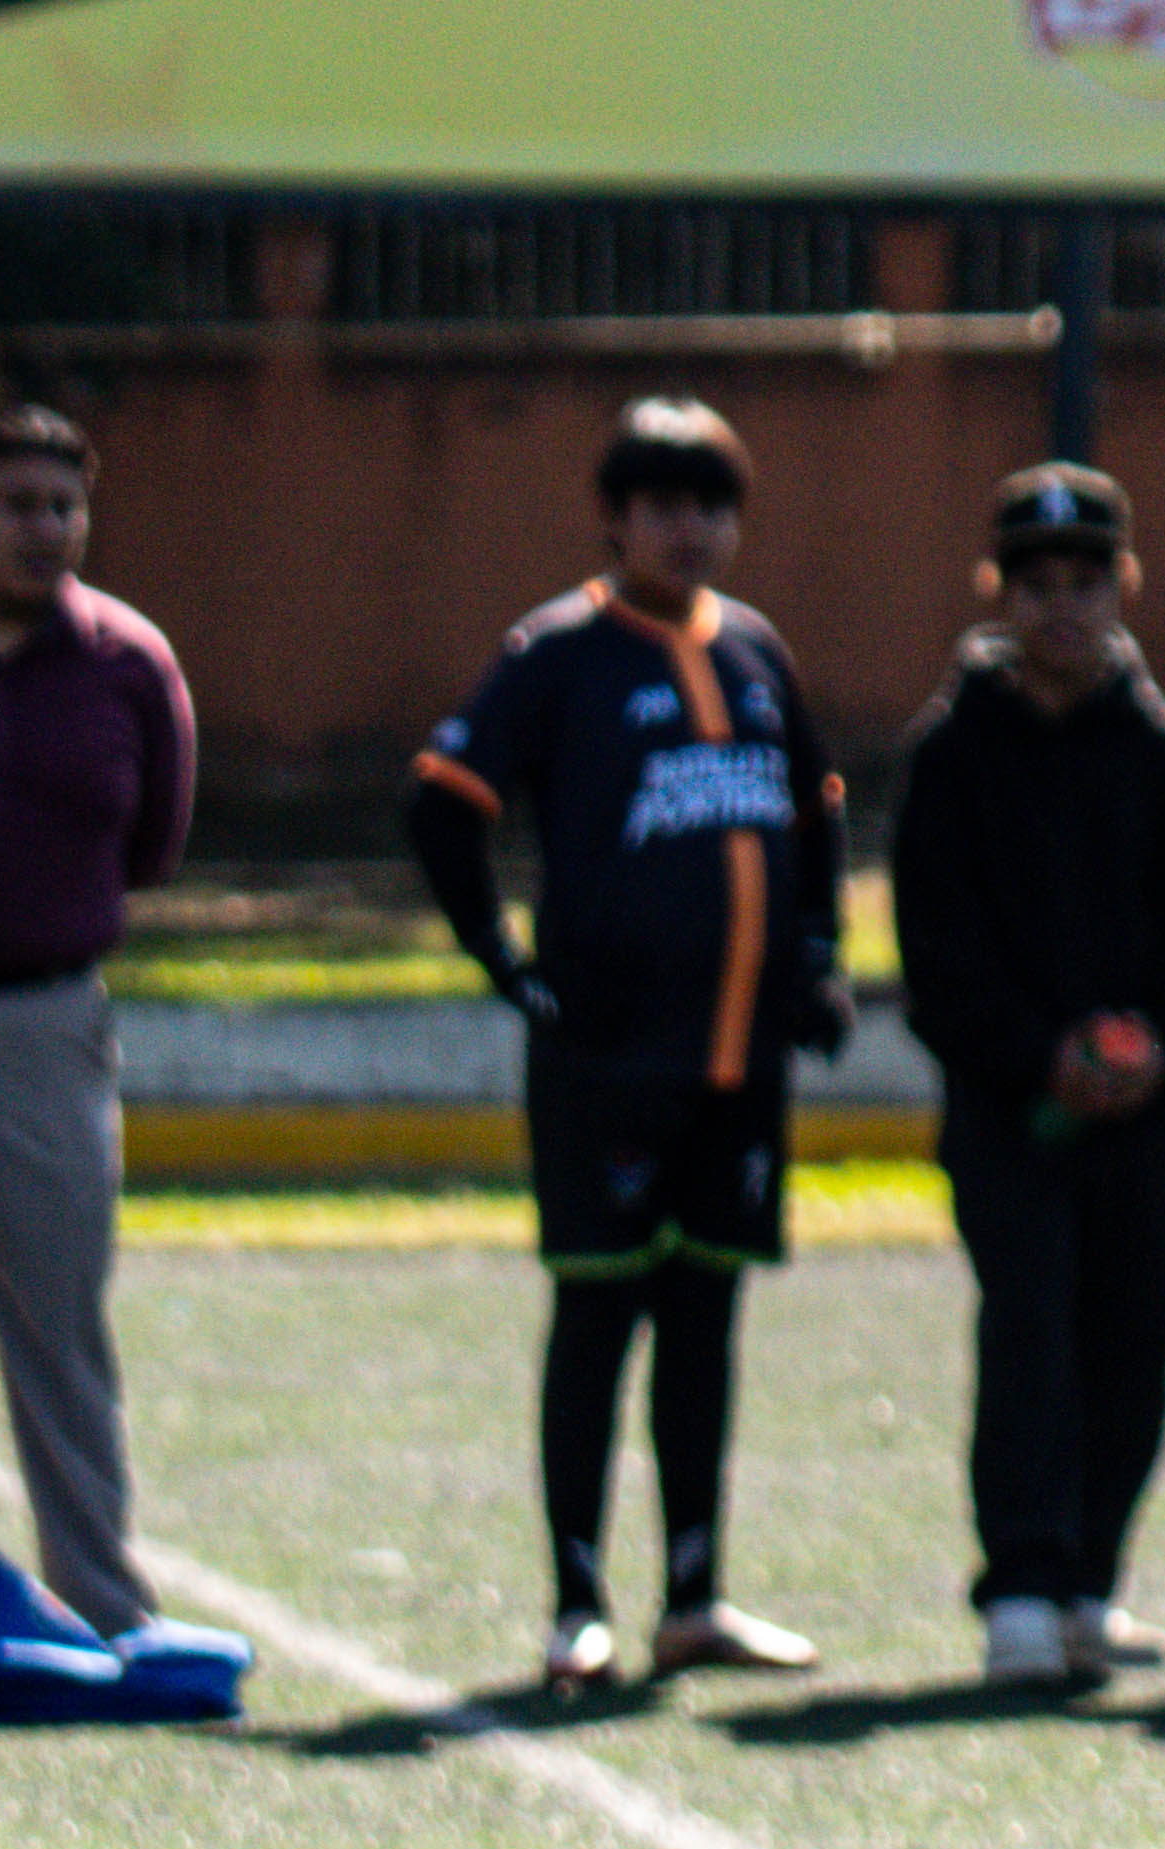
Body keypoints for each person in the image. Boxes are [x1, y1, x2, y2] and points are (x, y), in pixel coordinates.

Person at [409, 398, 848, 1698]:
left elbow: (815, 817)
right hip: (609, 1062)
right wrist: (506, 961)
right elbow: (442, 806)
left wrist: (814, 960)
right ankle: (577, 1604)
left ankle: (696, 1597)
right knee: (600, 1312)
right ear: (614, 518)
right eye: (664, 506)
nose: (691, 529)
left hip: (737, 1065)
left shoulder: (759, 651)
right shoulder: (558, 654)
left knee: (706, 1317)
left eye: (713, 505)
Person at [886, 464, 1165, 1691]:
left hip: (1147, 1123)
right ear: (998, 590)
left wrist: (1154, 1044)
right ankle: (1025, 1588)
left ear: (1124, 585)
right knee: (1031, 1329)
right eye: (1035, 583)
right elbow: (935, 953)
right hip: (1010, 1115)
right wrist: (1038, 1054)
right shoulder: (949, 755)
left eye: (1085, 580)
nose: (1061, 606)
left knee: (1133, 1342)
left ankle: (1095, 1578)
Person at [0, 404, 239, 1711]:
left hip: (50, 1027)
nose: (47, 529)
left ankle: (101, 1607)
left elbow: (154, 839)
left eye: (67, 506)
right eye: (20, 504)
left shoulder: (127, 663)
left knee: (61, 1331)